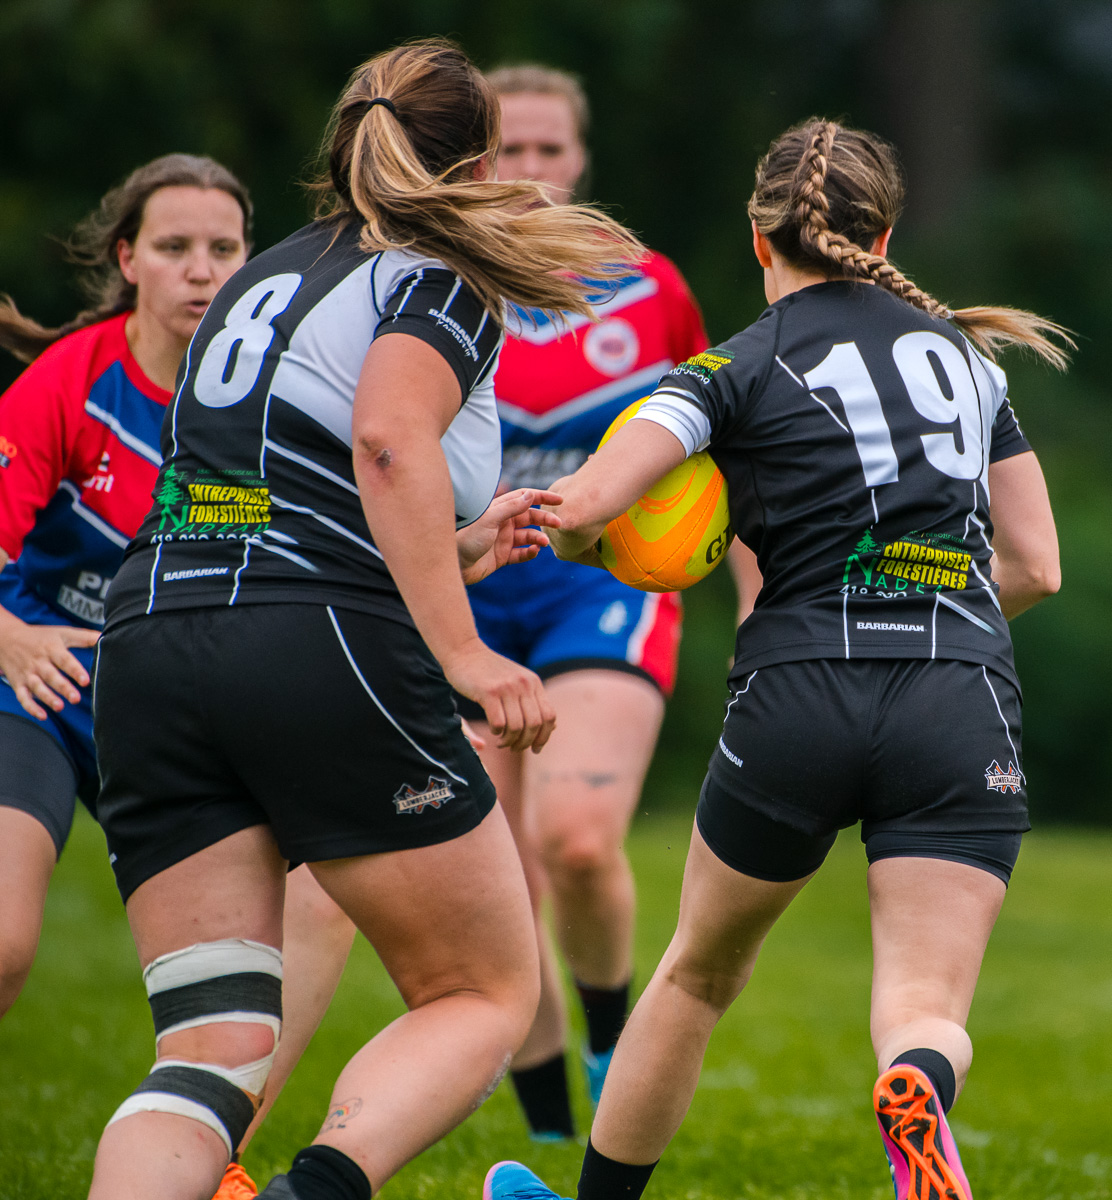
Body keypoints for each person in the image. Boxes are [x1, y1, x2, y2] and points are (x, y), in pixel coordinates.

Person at [85, 38, 642, 1200]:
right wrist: (464, 653)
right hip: (303, 637)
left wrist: (462, 551)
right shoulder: (435, 273)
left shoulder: (263, 272)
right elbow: (388, 438)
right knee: (486, 992)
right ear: (478, 160)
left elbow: (280, 489)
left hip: (152, 636)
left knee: (208, 1049)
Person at [480, 116, 1068, 1200]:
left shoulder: (728, 369)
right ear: (883, 235)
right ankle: (918, 1087)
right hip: (958, 691)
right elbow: (1036, 565)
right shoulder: (965, 361)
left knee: (697, 977)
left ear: (761, 241)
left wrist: (591, 538)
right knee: (925, 1003)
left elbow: (590, 505)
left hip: (798, 691)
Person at [0, 156, 360, 1200]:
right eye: (173, 248)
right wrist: (12, 641)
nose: (201, 271)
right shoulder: (71, 380)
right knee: (7, 946)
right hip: (42, 689)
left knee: (323, 907)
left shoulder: (280, 396)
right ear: (128, 260)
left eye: (224, 249)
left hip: (182, 703)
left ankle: (217, 1155)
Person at [471, 63, 761, 1141]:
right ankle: (549, 1125)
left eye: (550, 149)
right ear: (474, 163)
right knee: (491, 881)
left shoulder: (652, 290)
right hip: (466, 597)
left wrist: (756, 605)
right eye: (509, 151)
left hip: (602, 594)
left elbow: (720, 455)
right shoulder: (437, 284)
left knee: (579, 841)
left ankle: (609, 1038)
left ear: (582, 159)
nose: (532, 171)